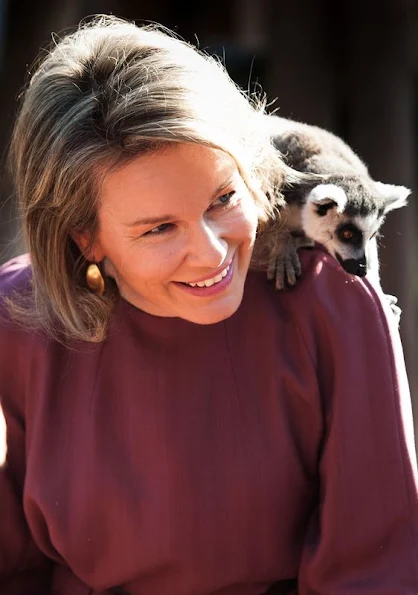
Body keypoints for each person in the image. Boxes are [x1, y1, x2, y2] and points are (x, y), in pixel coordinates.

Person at [0, 14, 417, 595]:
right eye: (159, 229)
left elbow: (374, 570)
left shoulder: (335, 304)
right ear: (85, 238)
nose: (213, 253)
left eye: (224, 197)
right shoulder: (13, 324)